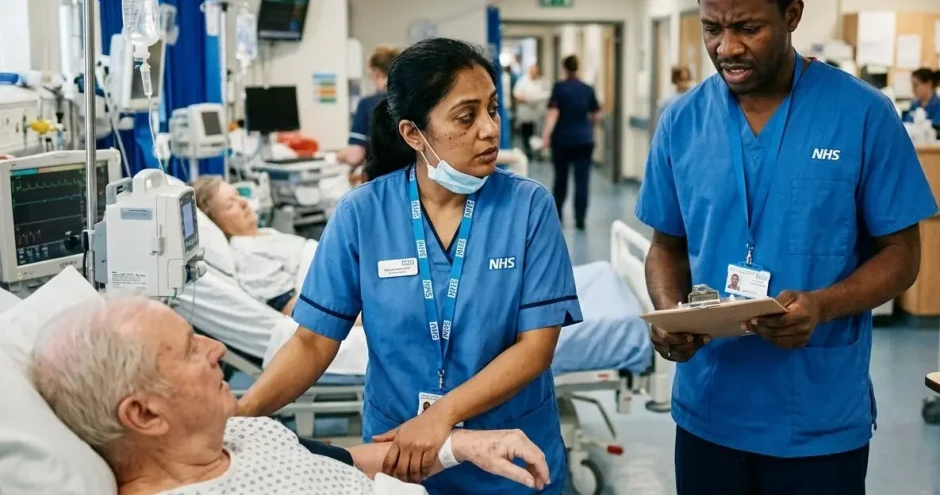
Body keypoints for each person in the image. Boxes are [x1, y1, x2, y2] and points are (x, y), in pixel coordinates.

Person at [635, 0, 938, 495]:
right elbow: (665, 245)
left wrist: (823, 305)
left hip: (817, 417)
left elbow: (902, 256)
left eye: (747, 27)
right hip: (709, 407)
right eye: (711, 28)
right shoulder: (681, 122)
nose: (726, 47)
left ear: (792, 14)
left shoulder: (863, 115)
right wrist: (672, 314)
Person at [235, 37, 583, 494]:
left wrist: (441, 416)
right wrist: (237, 422)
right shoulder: (362, 215)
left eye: (493, 109)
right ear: (413, 134)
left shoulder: (528, 207)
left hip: (511, 457)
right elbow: (312, 344)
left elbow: (535, 349)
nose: (490, 129)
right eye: (467, 115)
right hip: (400, 454)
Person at [31, 297, 551, 495]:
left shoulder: (239, 434)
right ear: (144, 413)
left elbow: (350, 460)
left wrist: (463, 445)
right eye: (191, 349)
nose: (217, 349)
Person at [191, 176, 304, 315]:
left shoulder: (263, 234)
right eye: (230, 205)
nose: (244, 202)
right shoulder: (247, 257)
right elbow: (295, 311)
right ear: (215, 223)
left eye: (237, 196)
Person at [541, 55, 600, 230]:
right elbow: (595, 114)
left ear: (564, 68)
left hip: (562, 140)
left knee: (561, 179)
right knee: (582, 181)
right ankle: (580, 219)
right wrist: (586, 126)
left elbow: (553, 114)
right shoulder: (587, 89)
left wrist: (545, 136)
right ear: (577, 67)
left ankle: (558, 216)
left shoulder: (559, 88)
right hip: (584, 140)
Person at [338, 46, 402, 167]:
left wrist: (338, 156)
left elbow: (355, 156)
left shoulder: (367, 104)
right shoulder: (412, 101)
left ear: (377, 73)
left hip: (381, 177)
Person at [513, 64, 550, 159]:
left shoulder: (542, 81)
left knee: (538, 133)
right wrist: (526, 100)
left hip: (538, 112)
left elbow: (547, 94)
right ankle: (528, 151)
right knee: (527, 133)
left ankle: (539, 152)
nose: (534, 73)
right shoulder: (523, 81)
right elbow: (516, 95)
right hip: (526, 112)